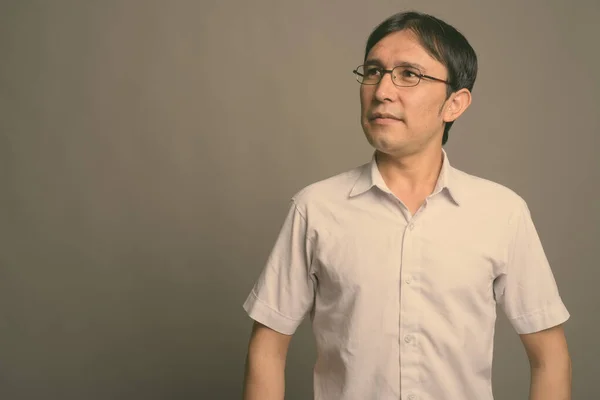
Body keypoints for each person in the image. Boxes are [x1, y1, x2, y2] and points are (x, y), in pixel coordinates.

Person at [241, 10, 571, 400]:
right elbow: (267, 349)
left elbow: (549, 356)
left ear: (455, 104)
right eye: (374, 71)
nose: (382, 91)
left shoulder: (502, 213)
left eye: (409, 75)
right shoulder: (315, 208)